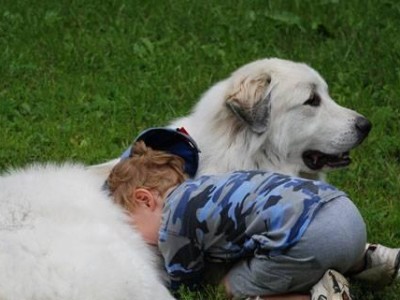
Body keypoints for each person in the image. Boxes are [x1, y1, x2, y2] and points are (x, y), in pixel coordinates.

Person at [104, 134, 388, 300]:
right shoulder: (215, 185)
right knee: (285, 245)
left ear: (145, 198)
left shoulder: (174, 224)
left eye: (129, 222)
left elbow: (185, 282)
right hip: (343, 210)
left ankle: (319, 295)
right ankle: (373, 260)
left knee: (228, 290)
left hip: (311, 239)